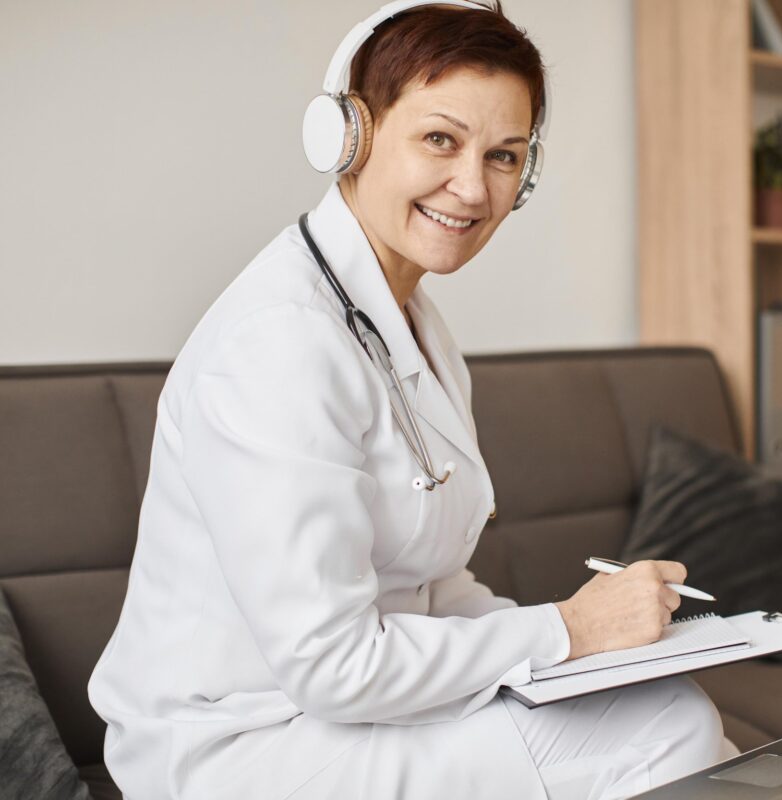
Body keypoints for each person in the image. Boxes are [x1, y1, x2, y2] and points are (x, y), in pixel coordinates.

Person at [88, 2, 737, 798]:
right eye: (441, 139)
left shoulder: (413, 323)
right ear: (349, 135)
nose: (472, 187)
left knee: (654, 701)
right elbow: (333, 666)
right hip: (242, 746)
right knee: (666, 730)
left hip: (346, 715)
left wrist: (591, 648)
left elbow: (434, 587)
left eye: (504, 155)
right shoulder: (278, 343)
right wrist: (568, 631)